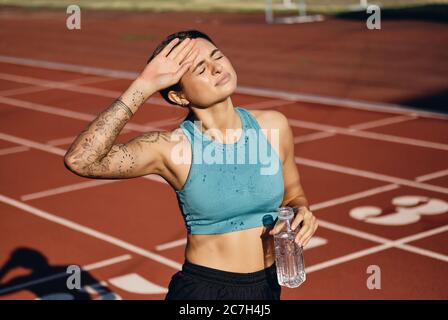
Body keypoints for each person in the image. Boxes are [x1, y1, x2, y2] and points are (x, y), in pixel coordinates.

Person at [64, 29, 318, 300]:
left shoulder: (272, 126)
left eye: (217, 56)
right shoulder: (170, 148)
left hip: (266, 286)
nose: (215, 67)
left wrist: (301, 210)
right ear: (179, 96)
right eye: (200, 68)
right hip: (205, 292)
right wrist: (144, 84)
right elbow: (81, 160)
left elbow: (293, 192)